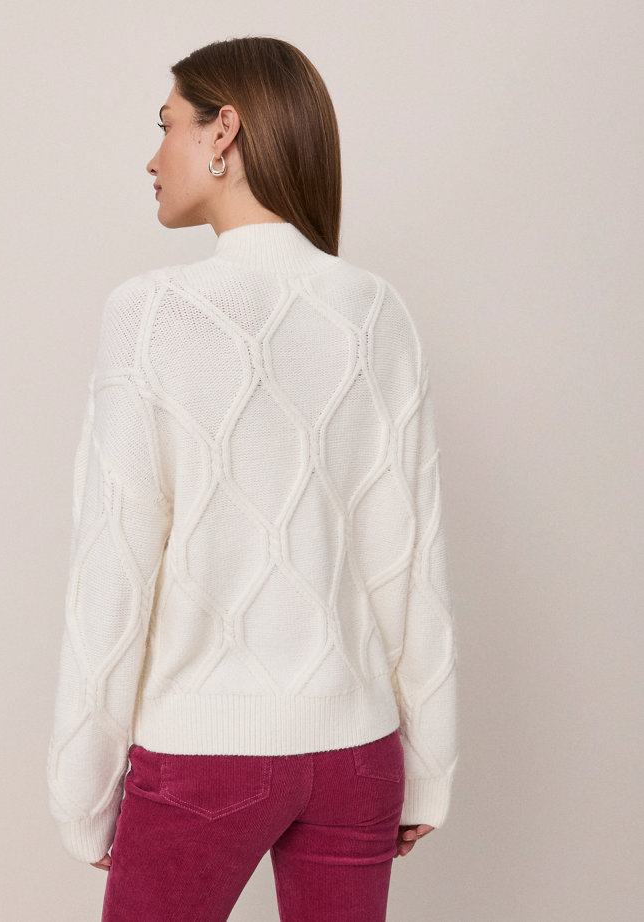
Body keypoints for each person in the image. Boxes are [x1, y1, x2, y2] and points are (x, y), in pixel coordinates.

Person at [46, 35, 458, 922]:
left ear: (223, 131)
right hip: (359, 757)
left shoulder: (151, 314)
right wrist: (427, 769)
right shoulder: (377, 312)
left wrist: (82, 789)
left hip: (203, 758)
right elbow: (409, 557)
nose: (153, 157)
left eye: (167, 125)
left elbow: (113, 568)